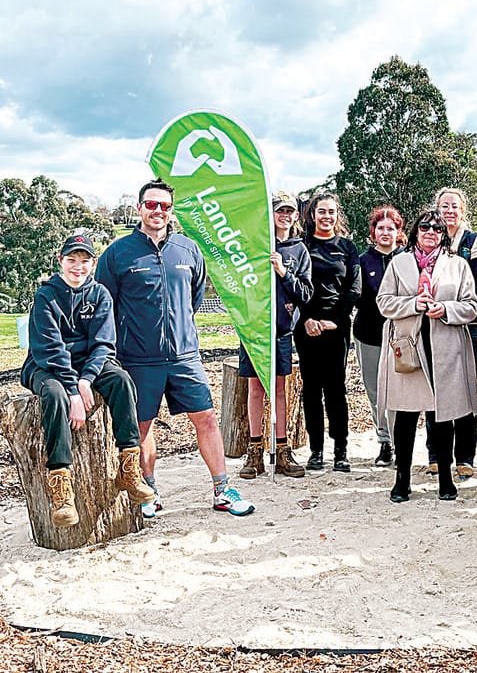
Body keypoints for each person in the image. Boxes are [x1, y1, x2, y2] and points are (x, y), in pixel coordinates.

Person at [96, 179, 253, 517]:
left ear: (171, 210)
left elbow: (193, 298)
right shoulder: (118, 254)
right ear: (139, 208)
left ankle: (222, 489)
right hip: (138, 359)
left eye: (165, 206)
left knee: (207, 419)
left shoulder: (188, 249)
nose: (158, 211)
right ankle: (149, 492)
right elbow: (103, 305)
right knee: (142, 426)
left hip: (185, 356)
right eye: (151, 205)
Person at [21, 234, 155, 526]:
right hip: (46, 366)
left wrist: (86, 380)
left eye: (84, 261)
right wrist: (72, 391)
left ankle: (129, 469)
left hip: (86, 365)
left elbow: (103, 344)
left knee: (121, 380)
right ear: (60, 262)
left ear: (93, 264)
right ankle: (61, 487)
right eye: (71, 260)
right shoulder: (46, 296)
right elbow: (50, 350)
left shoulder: (99, 294)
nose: (77, 267)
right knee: (54, 395)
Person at [376, 209, 477, 502]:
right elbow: (383, 303)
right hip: (409, 346)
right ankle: (402, 479)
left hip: (444, 347)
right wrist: (413, 304)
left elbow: (471, 305)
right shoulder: (399, 263)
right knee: (406, 416)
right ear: (415, 232)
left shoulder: (457, 265)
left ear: (443, 234)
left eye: (437, 228)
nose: (431, 232)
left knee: (443, 416)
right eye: (425, 227)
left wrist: (446, 309)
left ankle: (446, 479)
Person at [238, 192, 313, 480]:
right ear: (271, 214)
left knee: (279, 389)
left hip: (281, 331)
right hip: (253, 330)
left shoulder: (299, 251)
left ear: (296, 215)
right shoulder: (255, 244)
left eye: (290, 211)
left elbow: (305, 293)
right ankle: (254, 451)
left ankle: (282, 449)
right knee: (255, 389)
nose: (285, 215)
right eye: (279, 210)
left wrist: (283, 272)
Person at [430, 187, 477, 479]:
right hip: (434, 325)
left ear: (463, 210)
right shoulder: (431, 240)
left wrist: (455, 310)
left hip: (469, 326)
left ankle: (465, 455)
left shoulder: (475, 242)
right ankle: (435, 453)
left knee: (466, 388)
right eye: (444, 206)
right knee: (436, 389)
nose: (449, 211)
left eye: (454, 206)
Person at [295, 191, 361, 473]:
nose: (326, 216)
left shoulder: (347, 248)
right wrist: (307, 319)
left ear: (337, 215)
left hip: (337, 328)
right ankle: (316, 451)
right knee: (311, 390)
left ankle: (341, 450)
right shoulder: (302, 246)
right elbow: (294, 285)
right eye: (321, 211)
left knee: (335, 390)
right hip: (306, 327)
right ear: (312, 215)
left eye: (331, 212)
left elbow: (354, 289)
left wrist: (334, 320)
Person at [354, 205, 405, 467]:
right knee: (376, 393)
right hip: (368, 335)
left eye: (391, 228)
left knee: (398, 392)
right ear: (373, 232)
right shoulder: (362, 261)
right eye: (381, 228)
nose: (386, 232)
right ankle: (384, 442)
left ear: (399, 232)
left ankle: (400, 442)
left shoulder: (408, 260)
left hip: (402, 337)